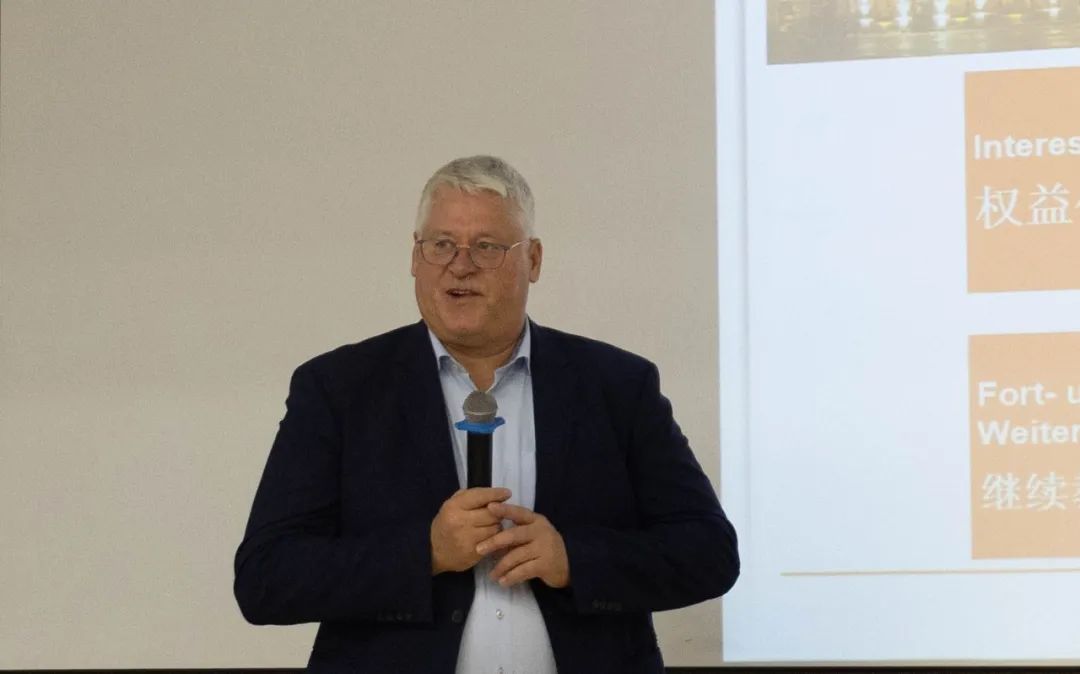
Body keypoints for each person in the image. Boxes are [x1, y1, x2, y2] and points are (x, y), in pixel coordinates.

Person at [234, 155, 739, 673]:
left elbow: (709, 552)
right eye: (441, 244)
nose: (460, 265)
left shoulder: (617, 385)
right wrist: (425, 552)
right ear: (415, 257)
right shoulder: (338, 389)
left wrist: (575, 559)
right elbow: (265, 578)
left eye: (487, 247)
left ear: (533, 260)